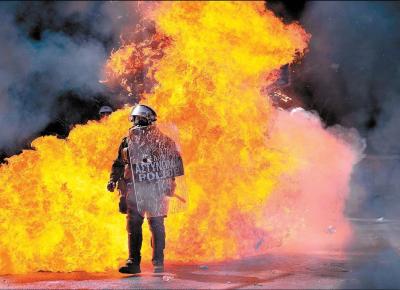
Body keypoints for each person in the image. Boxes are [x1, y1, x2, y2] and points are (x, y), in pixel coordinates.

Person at [107, 104, 182, 274]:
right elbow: (119, 163)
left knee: (156, 224)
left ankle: (158, 262)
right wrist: (113, 180)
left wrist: (169, 184)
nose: (133, 122)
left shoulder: (163, 141)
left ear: (141, 119)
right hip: (134, 189)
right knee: (133, 224)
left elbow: (173, 165)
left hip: (155, 189)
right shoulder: (127, 141)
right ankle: (133, 262)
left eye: (135, 118)